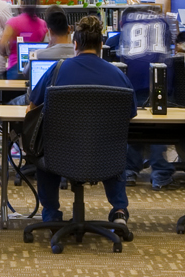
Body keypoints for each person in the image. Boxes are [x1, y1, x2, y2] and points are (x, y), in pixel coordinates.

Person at [27, 15, 134, 227]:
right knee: (116, 142)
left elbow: (32, 106)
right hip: (105, 154)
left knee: (44, 149)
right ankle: (119, 210)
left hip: (61, 153)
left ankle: (51, 214)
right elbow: (128, 116)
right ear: (102, 45)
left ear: (75, 44)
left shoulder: (57, 70)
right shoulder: (119, 75)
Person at [112, 0, 178, 188]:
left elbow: (114, 48)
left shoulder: (126, 25)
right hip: (161, 78)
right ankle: (160, 174)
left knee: (134, 126)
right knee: (158, 127)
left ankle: (130, 171)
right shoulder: (162, 22)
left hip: (133, 81)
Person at [0, 0, 48, 75]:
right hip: (34, 69)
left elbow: (2, 45)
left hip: (15, 67)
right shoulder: (43, 24)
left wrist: (7, 51)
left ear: (22, 2)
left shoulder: (13, 22)